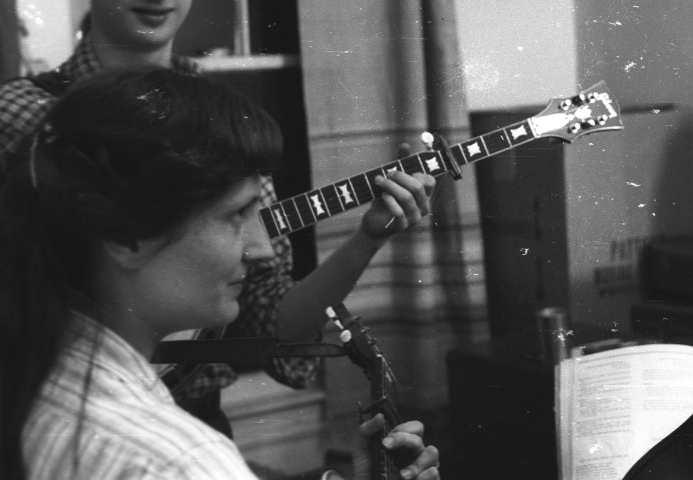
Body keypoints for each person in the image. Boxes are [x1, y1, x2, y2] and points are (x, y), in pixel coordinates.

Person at [0, 0, 434, 436]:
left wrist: (366, 238)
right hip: (52, 424)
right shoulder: (21, 118)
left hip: (195, 425)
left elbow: (270, 326)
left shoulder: (226, 132)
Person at [0, 67, 440, 480]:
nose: (263, 247)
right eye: (238, 213)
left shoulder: (36, 389)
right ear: (125, 236)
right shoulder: (185, 462)